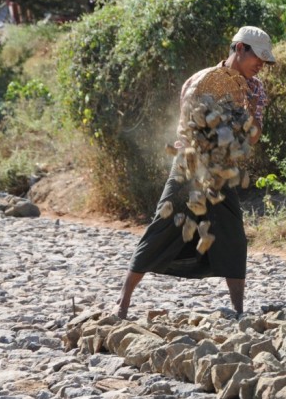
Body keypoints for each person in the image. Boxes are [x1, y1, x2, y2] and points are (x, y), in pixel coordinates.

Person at [115, 26, 275, 319]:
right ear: (239, 49)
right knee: (162, 227)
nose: (261, 66)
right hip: (189, 164)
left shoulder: (256, 88)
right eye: (258, 58)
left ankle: (239, 311)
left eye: (265, 61)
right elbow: (187, 125)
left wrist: (249, 108)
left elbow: (252, 137)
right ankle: (122, 304)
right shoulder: (201, 81)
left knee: (232, 234)